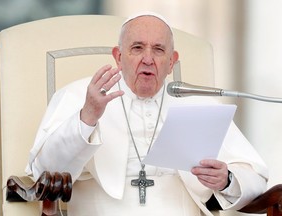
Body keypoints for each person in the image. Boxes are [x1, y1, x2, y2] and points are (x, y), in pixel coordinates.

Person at [26, 12, 268, 216]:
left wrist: (226, 181)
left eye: (159, 50)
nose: (148, 59)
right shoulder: (80, 95)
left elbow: (255, 177)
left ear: (172, 62)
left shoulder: (198, 104)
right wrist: (87, 117)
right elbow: (45, 172)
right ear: (119, 57)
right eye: (137, 48)